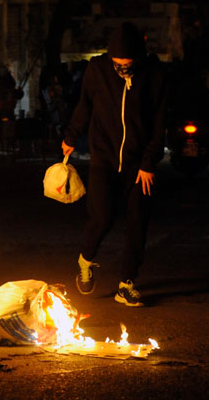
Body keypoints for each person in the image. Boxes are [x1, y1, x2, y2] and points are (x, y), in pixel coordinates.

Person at [61, 22, 167, 307]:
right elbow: (85, 104)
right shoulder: (97, 70)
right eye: (117, 63)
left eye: (128, 63)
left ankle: (127, 283)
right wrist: (71, 136)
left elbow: (160, 123)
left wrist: (149, 162)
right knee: (102, 216)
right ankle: (86, 259)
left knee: (137, 222)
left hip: (139, 165)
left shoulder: (154, 75)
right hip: (104, 159)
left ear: (139, 58)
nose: (122, 68)